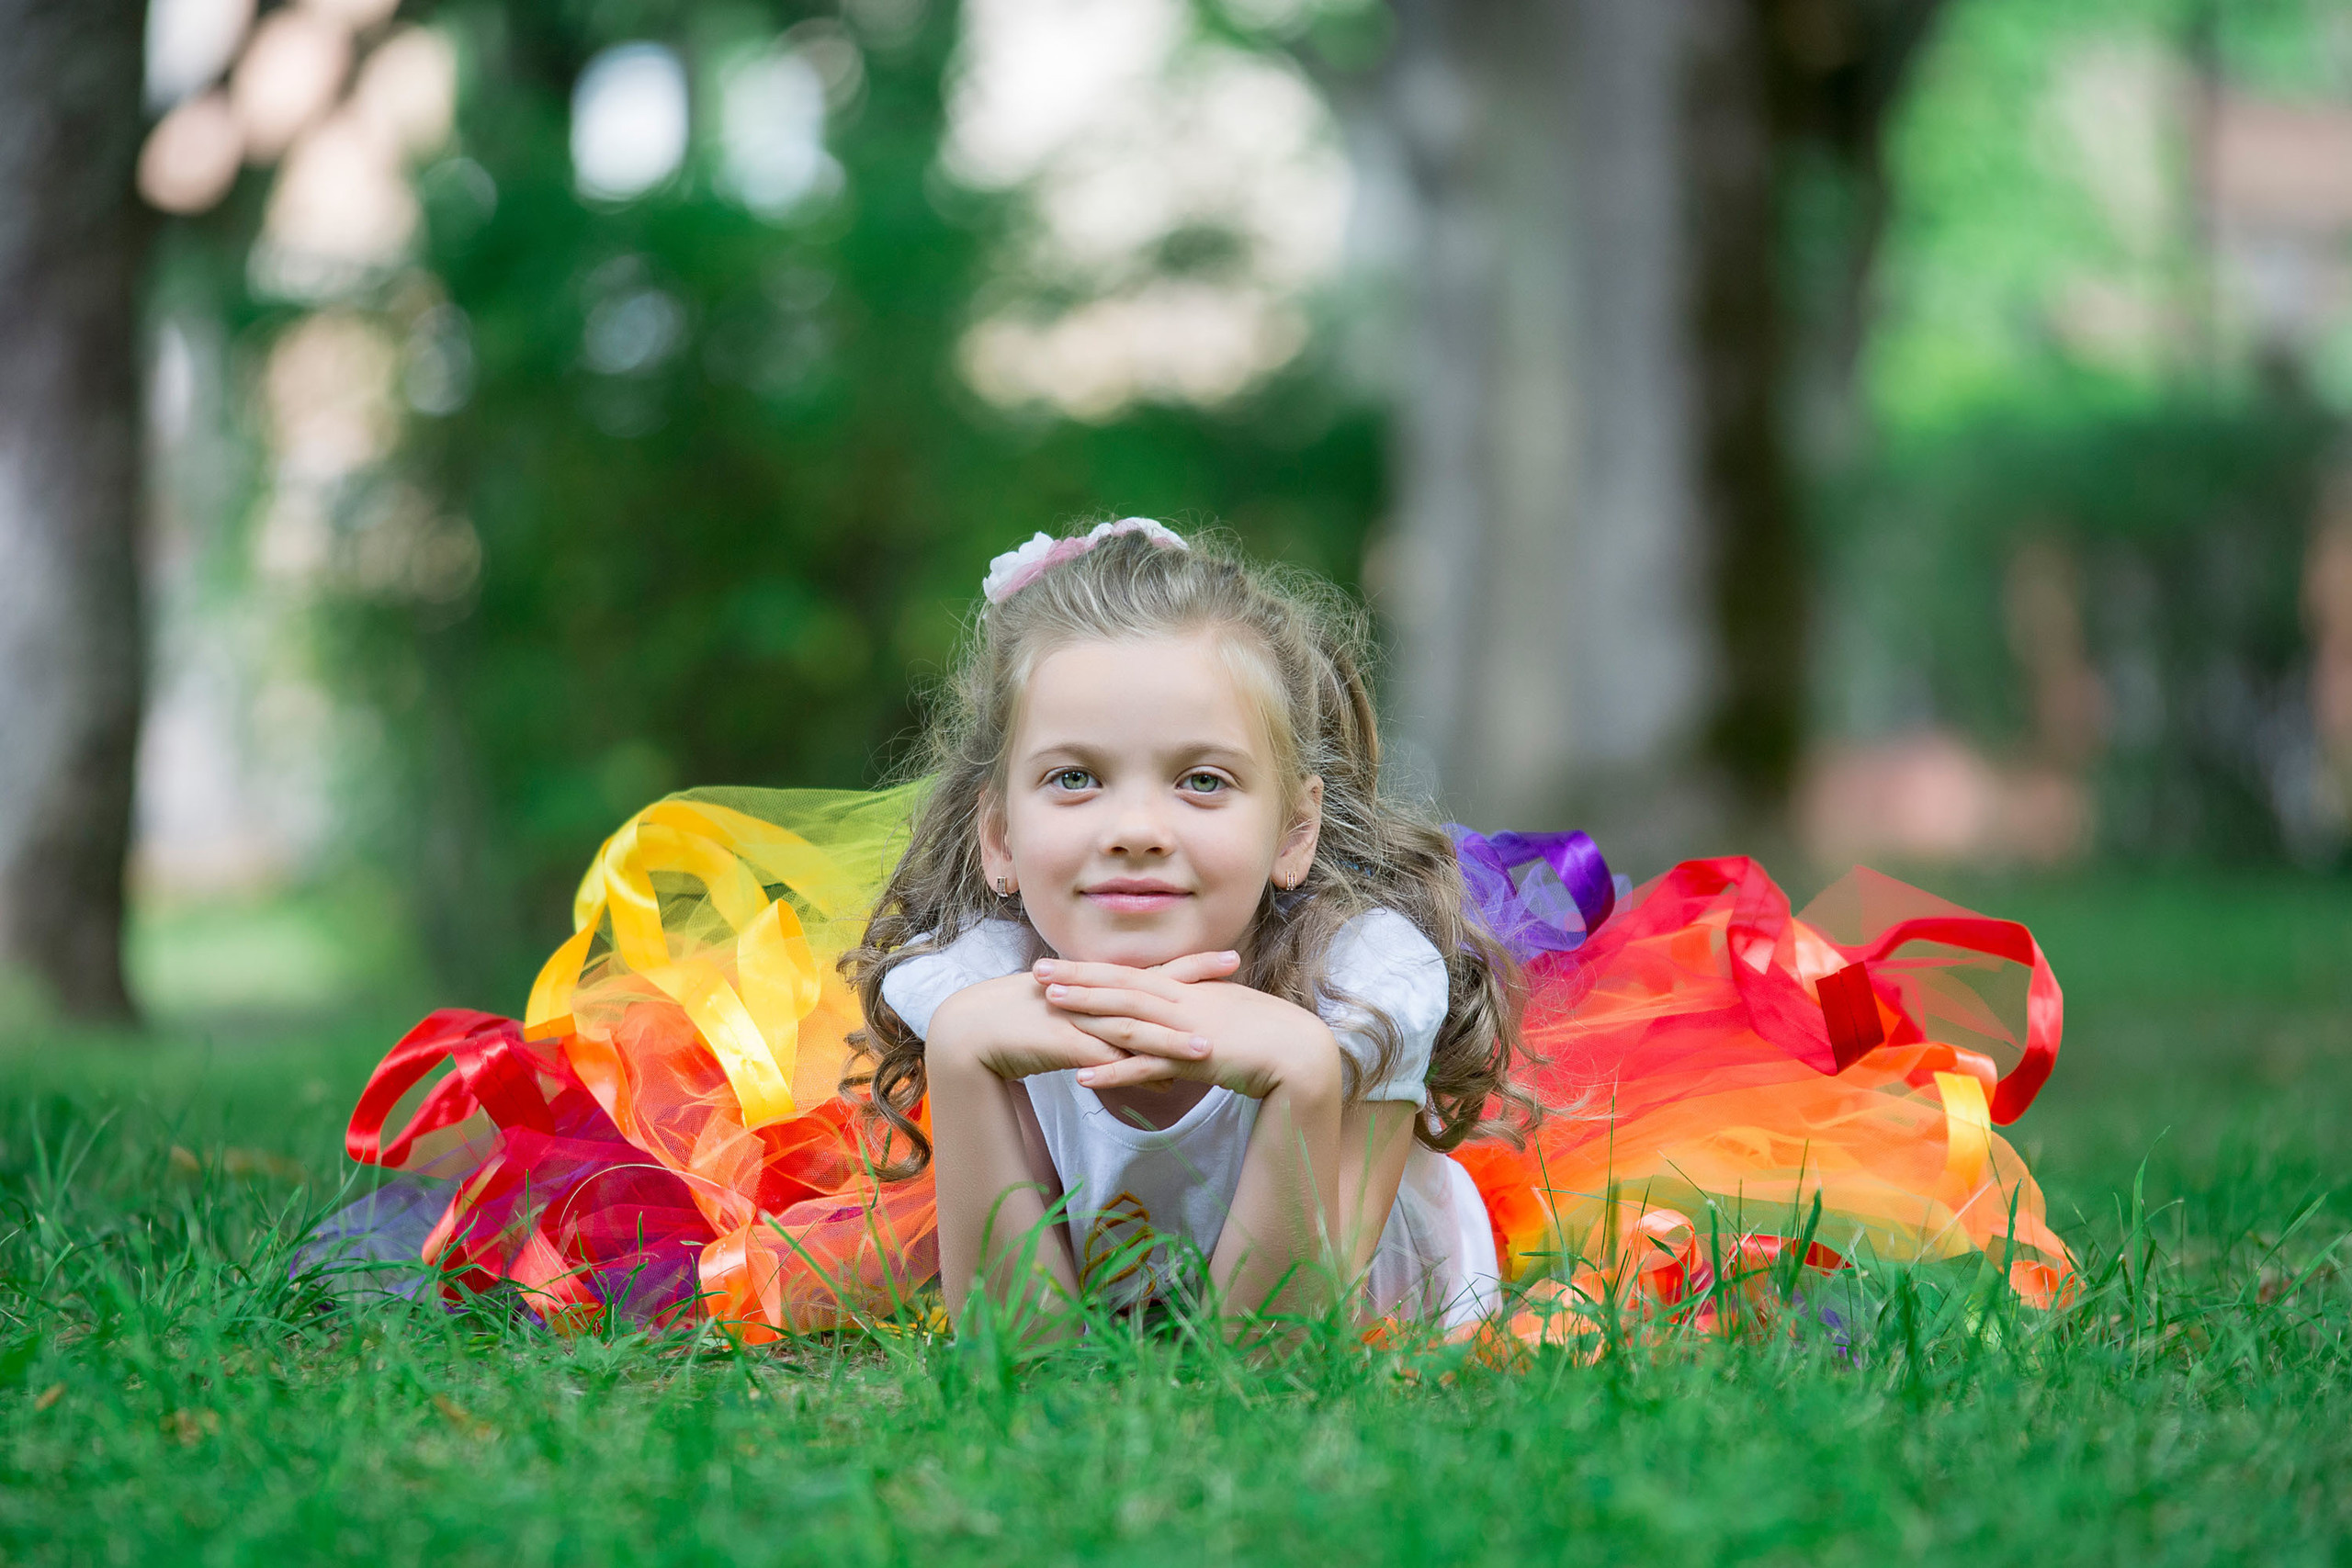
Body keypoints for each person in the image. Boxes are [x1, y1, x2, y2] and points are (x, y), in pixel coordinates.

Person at [336, 519, 2076, 1345]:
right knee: (701, 1243)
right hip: (1107, 1272)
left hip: (1350, 1283)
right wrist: (959, 1056)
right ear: (1002, 838)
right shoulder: (979, 984)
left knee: (1710, 1286)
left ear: (1294, 828)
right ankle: (390, 1243)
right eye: (1078, 781)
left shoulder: (1368, 985)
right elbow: (1020, 1343)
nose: (1141, 828)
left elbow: (1271, 1354)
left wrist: (1305, 1077)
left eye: (1203, 783)